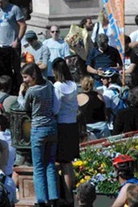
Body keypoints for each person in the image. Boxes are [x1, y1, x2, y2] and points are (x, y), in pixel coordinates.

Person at [17, 63, 59, 206]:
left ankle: (42, 200)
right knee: (50, 163)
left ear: (33, 75)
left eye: (26, 77)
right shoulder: (48, 84)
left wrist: (20, 93)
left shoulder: (32, 91)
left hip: (38, 129)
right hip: (52, 127)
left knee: (39, 166)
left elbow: (23, 106)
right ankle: (53, 198)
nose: (24, 80)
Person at [51, 57, 79, 204]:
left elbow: (55, 109)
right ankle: (71, 196)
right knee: (69, 164)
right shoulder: (73, 84)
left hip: (62, 125)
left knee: (63, 163)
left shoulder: (58, 86)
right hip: (73, 124)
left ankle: (67, 197)